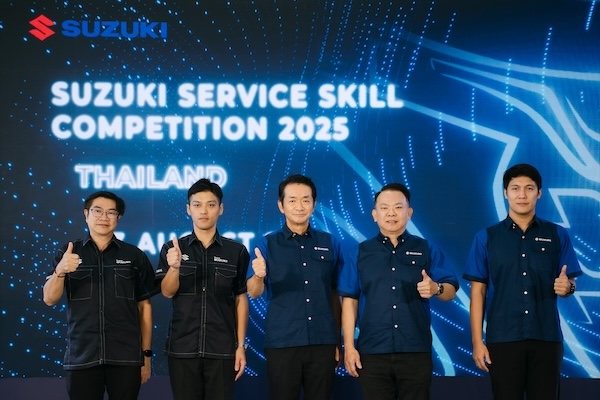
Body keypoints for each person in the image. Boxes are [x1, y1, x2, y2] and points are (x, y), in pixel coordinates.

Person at [463, 163, 582, 400]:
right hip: (503, 338)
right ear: (505, 193)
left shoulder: (557, 234)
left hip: (546, 337)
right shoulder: (486, 237)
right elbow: (478, 292)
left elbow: (569, 283)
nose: (522, 195)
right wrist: (477, 341)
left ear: (539, 193)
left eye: (529, 188)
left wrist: (567, 287)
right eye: (515, 188)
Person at [338, 183, 458, 400]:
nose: (391, 213)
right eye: (384, 208)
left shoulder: (426, 248)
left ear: (409, 213)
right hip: (372, 351)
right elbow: (349, 301)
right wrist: (349, 347)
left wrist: (436, 288)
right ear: (375, 215)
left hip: (415, 350)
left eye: (398, 207)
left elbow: (450, 291)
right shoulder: (359, 253)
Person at [43, 191, 157, 400]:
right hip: (82, 356)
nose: (104, 217)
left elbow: (144, 307)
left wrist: (146, 354)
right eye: (97, 211)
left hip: (125, 357)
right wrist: (61, 270)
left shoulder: (134, 255)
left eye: (111, 212)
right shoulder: (68, 253)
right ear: (86, 214)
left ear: (118, 217)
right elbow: (49, 299)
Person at [246, 174, 344, 400]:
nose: (299, 206)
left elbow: (335, 294)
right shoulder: (266, 243)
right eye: (292, 200)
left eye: (305, 200)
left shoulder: (330, 242)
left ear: (313, 204)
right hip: (283, 342)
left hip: (322, 341)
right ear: (281, 205)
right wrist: (258, 276)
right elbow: (253, 291)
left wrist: (336, 341)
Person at [156, 178, 250, 400]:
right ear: (188, 209)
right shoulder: (173, 248)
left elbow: (240, 299)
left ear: (220, 209)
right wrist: (174, 268)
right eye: (197, 205)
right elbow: (167, 292)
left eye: (210, 204)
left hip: (222, 349)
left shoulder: (236, 251)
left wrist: (240, 346)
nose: (204, 211)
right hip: (183, 348)